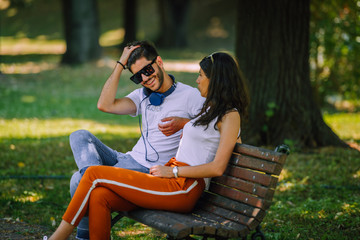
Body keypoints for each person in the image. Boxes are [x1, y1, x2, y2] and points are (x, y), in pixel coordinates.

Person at [46, 52, 250, 240]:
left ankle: (58, 238)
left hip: (184, 186)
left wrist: (174, 172)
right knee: (100, 196)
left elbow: (218, 167)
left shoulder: (230, 115)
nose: (197, 79)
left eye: (201, 75)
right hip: (171, 178)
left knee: (93, 175)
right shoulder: (210, 109)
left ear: (216, 79)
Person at [68, 40, 204, 239]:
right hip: (127, 160)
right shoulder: (143, 95)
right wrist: (120, 64)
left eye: (148, 70)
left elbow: (215, 126)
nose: (145, 78)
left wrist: (184, 123)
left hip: (147, 171)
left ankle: (84, 229)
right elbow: (104, 105)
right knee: (79, 136)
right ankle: (95, 181)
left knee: (77, 181)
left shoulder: (190, 96)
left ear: (159, 61)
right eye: (138, 76)